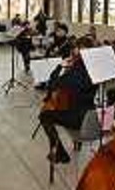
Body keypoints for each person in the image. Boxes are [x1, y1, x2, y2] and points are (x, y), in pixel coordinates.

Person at [39, 36, 97, 164]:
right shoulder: (95, 68)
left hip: (78, 118)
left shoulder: (77, 69)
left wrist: (60, 67)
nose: (74, 51)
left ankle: (60, 154)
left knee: (44, 115)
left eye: (76, 48)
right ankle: (76, 145)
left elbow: (53, 84)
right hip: (91, 115)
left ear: (79, 50)